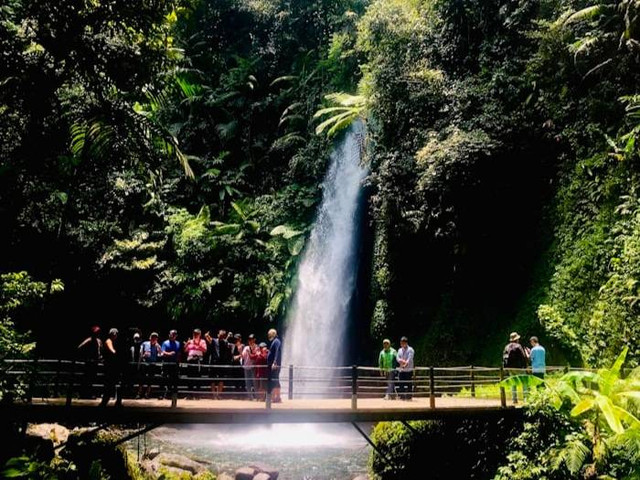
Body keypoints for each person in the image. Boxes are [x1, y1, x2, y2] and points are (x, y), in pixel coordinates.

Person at [100, 328, 124, 407]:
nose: (115, 335)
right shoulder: (108, 341)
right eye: (113, 334)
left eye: (115, 334)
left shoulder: (115, 342)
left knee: (115, 384)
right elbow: (112, 350)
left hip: (113, 367)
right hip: (109, 367)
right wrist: (117, 353)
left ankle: (116, 402)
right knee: (109, 385)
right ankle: (104, 403)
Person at [503, 332, 529, 404]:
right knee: (524, 382)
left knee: (513, 383)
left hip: (510, 368)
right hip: (519, 368)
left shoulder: (506, 347)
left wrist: (505, 368)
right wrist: (525, 366)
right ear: (516, 339)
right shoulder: (518, 346)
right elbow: (523, 357)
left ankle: (514, 399)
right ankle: (525, 398)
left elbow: (504, 358)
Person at [77, 326, 102, 399]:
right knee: (87, 379)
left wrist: (100, 357)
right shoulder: (89, 340)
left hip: (95, 362)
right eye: (96, 333)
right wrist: (85, 356)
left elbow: (100, 351)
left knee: (93, 378)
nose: (97, 334)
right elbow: (80, 347)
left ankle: (91, 394)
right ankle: (85, 394)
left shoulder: (99, 341)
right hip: (89, 362)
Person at [206, 329, 232, 399]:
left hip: (222, 362)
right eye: (220, 335)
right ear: (218, 335)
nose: (221, 336)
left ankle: (219, 394)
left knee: (221, 379)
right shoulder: (214, 340)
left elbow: (228, 350)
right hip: (213, 362)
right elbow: (208, 338)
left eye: (222, 335)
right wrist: (207, 335)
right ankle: (214, 395)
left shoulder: (226, 342)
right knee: (213, 379)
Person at [184, 329, 207, 399]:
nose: (195, 335)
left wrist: (197, 345)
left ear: (200, 334)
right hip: (190, 359)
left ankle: (197, 395)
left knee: (197, 377)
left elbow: (205, 350)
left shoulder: (202, 341)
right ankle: (189, 395)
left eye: (197, 333)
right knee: (190, 377)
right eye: (194, 333)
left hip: (198, 360)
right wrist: (187, 344)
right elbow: (185, 350)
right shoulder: (190, 341)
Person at [138, 332, 162, 399]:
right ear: (150, 337)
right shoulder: (145, 343)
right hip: (144, 363)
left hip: (152, 364)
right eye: (152, 337)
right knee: (142, 378)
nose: (153, 338)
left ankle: (147, 394)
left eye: (155, 337)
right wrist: (142, 357)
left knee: (150, 379)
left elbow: (160, 354)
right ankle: (139, 393)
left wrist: (159, 349)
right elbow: (140, 353)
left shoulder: (157, 345)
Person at [161, 329, 181, 400]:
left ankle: (173, 395)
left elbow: (179, 353)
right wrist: (169, 353)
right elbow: (162, 352)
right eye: (171, 334)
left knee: (174, 380)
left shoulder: (178, 343)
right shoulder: (165, 343)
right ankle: (163, 394)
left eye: (174, 334)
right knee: (165, 379)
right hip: (166, 364)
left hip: (175, 364)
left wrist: (179, 361)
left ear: (176, 336)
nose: (172, 335)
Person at [396, 336, 414, 401]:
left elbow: (409, 359)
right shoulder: (399, 350)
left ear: (406, 343)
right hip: (401, 370)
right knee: (401, 383)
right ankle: (401, 396)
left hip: (408, 370)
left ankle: (409, 396)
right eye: (401, 343)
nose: (401, 344)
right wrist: (401, 361)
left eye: (402, 343)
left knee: (409, 383)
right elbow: (397, 358)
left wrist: (405, 364)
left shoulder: (410, 350)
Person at [242, 334, 259, 400]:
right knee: (247, 382)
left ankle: (257, 396)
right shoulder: (246, 347)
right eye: (249, 339)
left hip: (253, 367)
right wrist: (241, 351)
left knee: (255, 382)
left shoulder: (257, 347)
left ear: (254, 340)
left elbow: (255, 357)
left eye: (251, 339)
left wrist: (251, 351)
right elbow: (243, 356)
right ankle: (250, 397)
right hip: (246, 367)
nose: (250, 341)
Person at [267, 329, 282, 403]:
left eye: (269, 334)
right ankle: (277, 397)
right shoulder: (275, 341)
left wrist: (274, 362)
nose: (268, 336)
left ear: (273, 334)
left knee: (275, 380)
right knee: (275, 380)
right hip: (273, 365)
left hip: (275, 366)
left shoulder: (276, 341)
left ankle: (277, 397)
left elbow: (276, 352)